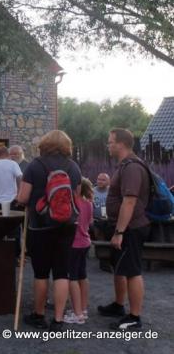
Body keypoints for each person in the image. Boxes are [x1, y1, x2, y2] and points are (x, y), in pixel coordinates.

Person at [17, 130, 81, 332]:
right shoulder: (73, 166)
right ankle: (59, 320)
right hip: (67, 226)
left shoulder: (35, 165)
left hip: (40, 226)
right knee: (62, 272)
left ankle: (39, 315)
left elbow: (22, 198)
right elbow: (76, 197)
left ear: (45, 144)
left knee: (41, 273)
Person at [98, 128, 151, 331]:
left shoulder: (132, 168)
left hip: (131, 228)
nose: (108, 145)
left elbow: (129, 202)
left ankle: (134, 317)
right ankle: (119, 306)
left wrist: (119, 232)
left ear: (121, 144)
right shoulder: (124, 165)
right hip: (122, 227)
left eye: (110, 142)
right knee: (120, 268)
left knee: (132, 271)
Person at [64, 178, 93, 324]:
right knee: (83, 276)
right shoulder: (88, 203)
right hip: (85, 242)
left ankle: (77, 314)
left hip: (74, 244)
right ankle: (83, 308)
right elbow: (90, 222)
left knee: (72, 278)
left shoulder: (72, 204)